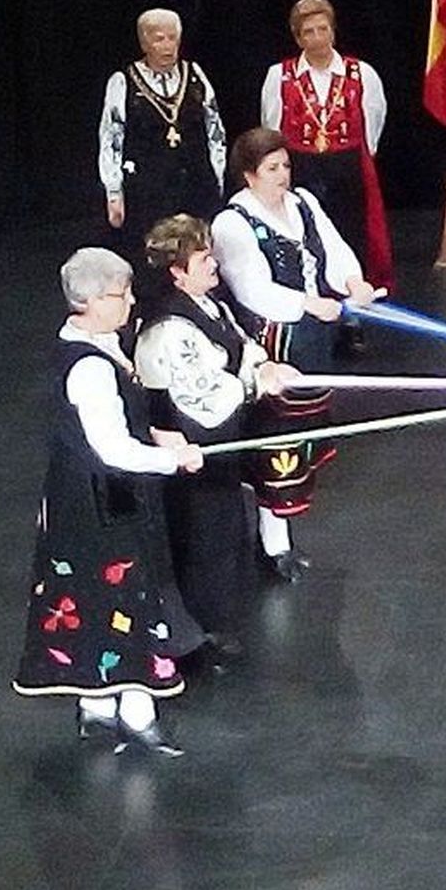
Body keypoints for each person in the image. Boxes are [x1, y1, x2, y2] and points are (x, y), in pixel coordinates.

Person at [13, 247, 205, 756]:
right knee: (124, 599)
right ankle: (132, 714)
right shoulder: (90, 368)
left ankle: (99, 708)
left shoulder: (93, 345)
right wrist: (172, 461)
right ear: (93, 301)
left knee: (98, 597)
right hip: (103, 506)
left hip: (89, 501)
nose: (131, 302)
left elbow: (127, 423)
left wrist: (159, 435)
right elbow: (113, 448)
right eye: (122, 294)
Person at [211, 127, 378, 580]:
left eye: (285, 165)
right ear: (249, 175)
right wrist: (307, 303)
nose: (283, 175)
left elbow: (333, 249)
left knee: (301, 434)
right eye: (272, 169)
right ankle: (273, 544)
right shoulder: (233, 223)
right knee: (276, 437)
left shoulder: (302, 203)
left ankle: (278, 535)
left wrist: (353, 282)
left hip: (310, 338)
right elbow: (251, 288)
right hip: (272, 342)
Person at [135, 215, 302, 655]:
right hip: (192, 447)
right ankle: (198, 629)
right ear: (178, 271)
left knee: (226, 529)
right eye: (204, 258)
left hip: (221, 446)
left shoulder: (212, 306)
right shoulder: (168, 327)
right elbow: (200, 396)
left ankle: (217, 618)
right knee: (202, 536)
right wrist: (254, 385)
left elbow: (242, 347)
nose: (214, 264)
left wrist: (265, 365)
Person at [259, 0, 395, 303]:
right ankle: (312, 297)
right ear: (298, 38)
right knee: (304, 233)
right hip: (301, 167)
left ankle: (355, 301)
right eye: (309, 32)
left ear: (333, 31)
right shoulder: (280, 75)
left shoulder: (361, 73)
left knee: (352, 234)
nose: (318, 38)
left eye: (323, 29)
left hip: (348, 167)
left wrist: (358, 156)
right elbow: (271, 127)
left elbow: (374, 120)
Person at [97, 9, 227, 269]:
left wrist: (219, 176)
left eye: (172, 38)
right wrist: (113, 192)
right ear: (144, 43)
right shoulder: (123, 81)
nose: (168, 46)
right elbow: (111, 139)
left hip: (194, 184)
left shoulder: (194, 74)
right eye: (159, 39)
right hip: (147, 190)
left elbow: (215, 129)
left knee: (198, 250)